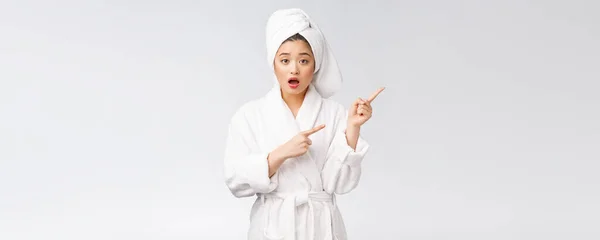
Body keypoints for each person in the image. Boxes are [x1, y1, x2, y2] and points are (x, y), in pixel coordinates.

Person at [223, 8, 384, 240]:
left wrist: (353, 128)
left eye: (304, 60)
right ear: (273, 63)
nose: (294, 69)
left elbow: (339, 184)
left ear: (315, 65)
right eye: (285, 60)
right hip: (272, 229)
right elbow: (235, 180)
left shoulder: (335, 114)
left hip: (321, 228)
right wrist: (278, 155)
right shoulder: (249, 115)